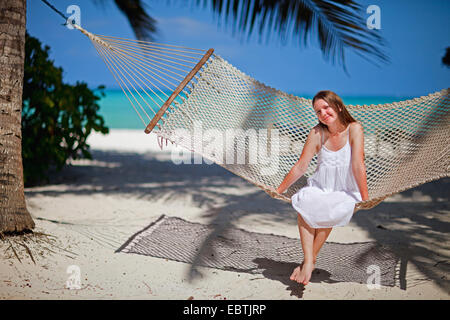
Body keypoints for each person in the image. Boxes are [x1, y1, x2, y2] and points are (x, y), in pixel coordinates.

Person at [274, 90, 369, 286]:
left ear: (338, 106)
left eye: (326, 107)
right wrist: (279, 190)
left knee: (331, 208)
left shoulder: (354, 129)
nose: (323, 113)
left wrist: (365, 198)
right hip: (320, 185)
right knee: (304, 202)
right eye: (318, 111)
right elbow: (301, 166)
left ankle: (308, 262)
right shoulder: (317, 133)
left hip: (345, 189)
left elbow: (359, 165)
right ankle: (310, 260)